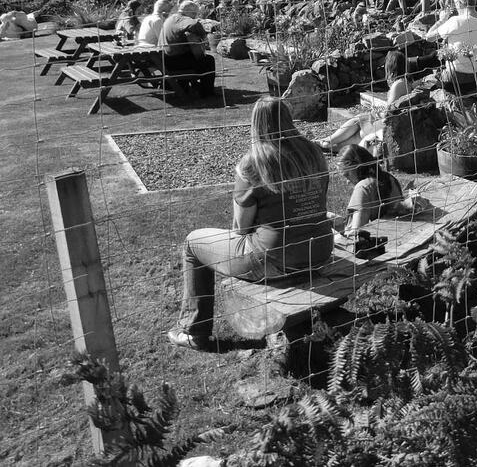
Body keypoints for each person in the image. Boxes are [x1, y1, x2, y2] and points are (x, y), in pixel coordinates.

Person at [168, 97, 333, 349]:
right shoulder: (313, 153)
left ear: (255, 124)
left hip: (274, 259)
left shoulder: (254, 163)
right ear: (288, 118)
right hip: (319, 251)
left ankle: (192, 330)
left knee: (193, 242)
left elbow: (240, 229)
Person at [316, 50, 413, 152]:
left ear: (391, 66)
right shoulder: (406, 83)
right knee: (358, 135)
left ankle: (326, 141)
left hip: (387, 123)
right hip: (394, 124)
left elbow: (389, 113)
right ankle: (327, 146)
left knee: (358, 120)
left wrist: (376, 113)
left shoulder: (398, 84)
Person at [332, 144, 412, 237]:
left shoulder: (362, 188)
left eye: (347, 175)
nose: (347, 181)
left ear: (357, 167)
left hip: (371, 241)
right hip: (395, 233)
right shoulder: (389, 178)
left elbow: (356, 232)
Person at [426, 0, 477, 92]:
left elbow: (429, 37)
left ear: (459, 3)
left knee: (427, 80)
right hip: (475, 79)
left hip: (453, 79)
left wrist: (442, 20)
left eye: (455, 4)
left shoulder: (455, 21)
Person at [159, 0, 216, 96]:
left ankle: (193, 86)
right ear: (190, 12)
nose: (195, 16)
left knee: (196, 57)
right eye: (195, 14)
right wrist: (204, 37)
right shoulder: (181, 19)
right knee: (208, 61)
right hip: (174, 61)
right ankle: (207, 92)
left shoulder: (172, 18)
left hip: (166, 58)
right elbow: (195, 24)